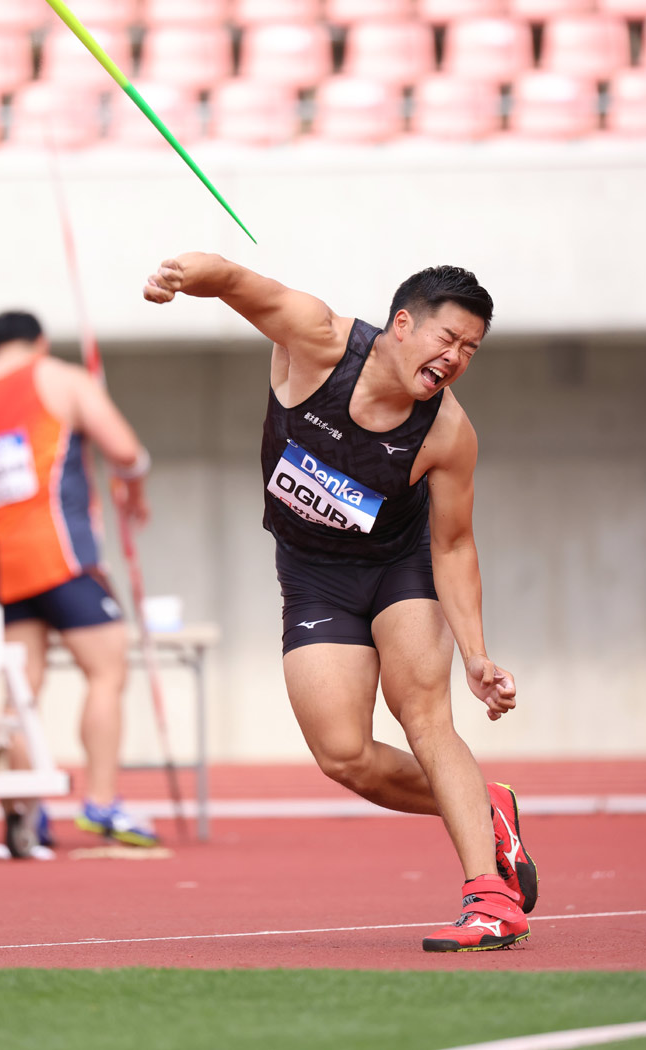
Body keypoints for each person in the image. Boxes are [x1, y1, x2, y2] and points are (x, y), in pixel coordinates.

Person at [143, 253, 538, 951]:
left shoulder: (446, 432)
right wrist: (183, 274)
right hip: (313, 573)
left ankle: (491, 898)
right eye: (447, 339)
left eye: (471, 350)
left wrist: (476, 654)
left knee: (422, 713)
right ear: (402, 324)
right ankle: (489, 808)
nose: (455, 359)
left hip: (399, 568)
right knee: (344, 756)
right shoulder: (318, 340)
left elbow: (452, 547)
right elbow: (237, 283)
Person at [0, 310, 158, 848]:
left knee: (21, 690)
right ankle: (101, 804)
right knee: (107, 669)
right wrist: (133, 485)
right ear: (37, 340)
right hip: (60, 557)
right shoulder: (58, 377)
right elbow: (126, 452)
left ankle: (24, 811)